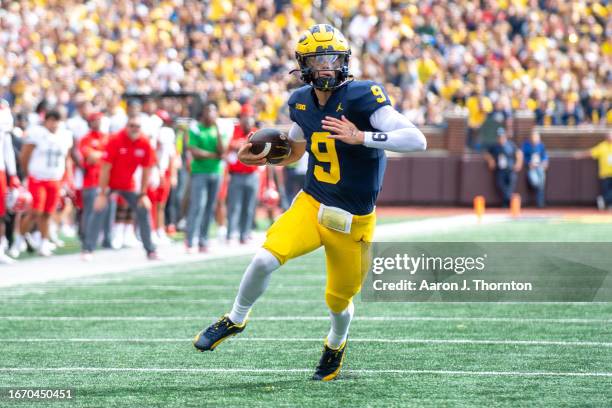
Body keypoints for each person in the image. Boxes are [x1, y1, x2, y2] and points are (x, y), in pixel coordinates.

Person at [193, 24, 426, 381]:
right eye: (319, 60)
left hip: (353, 219)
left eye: (333, 58)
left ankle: (335, 343)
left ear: (345, 61)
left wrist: (361, 136)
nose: (327, 66)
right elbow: (296, 150)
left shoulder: (363, 96)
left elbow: (416, 139)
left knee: (338, 302)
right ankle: (236, 318)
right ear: (304, 65)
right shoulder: (300, 100)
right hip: (312, 203)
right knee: (263, 258)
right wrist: (262, 157)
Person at [82, 114, 158, 260]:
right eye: (132, 126)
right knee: (98, 209)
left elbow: (147, 169)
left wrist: (143, 194)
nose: (134, 129)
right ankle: (88, 249)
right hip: (109, 182)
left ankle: (150, 249)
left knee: (144, 209)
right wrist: (102, 193)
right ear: (126, 126)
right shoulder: (116, 140)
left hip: (128, 184)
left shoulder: (145, 143)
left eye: (137, 126)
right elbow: (105, 168)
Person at [10, 110, 72, 257]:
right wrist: (27, 174)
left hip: (55, 179)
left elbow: (66, 159)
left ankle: (44, 243)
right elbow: (24, 156)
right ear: (46, 121)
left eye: (57, 120)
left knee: (48, 213)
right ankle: (19, 239)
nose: (54, 123)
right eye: (51, 120)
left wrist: (66, 179)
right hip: (37, 178)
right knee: (35, 212)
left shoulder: (65, 135)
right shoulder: (37, 133)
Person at [184, 102, 226, 253]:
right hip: (199, 172)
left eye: (214, 111)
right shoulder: (195, 127)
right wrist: (213, 155)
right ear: (203, 112)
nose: (211, 114)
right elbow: (194, 151)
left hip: (216, 172)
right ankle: (189, 240)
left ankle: (203, 240)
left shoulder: (218, 129)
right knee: (198, 205)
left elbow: (222, 152)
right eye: (209, 110)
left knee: (210, 207)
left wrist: (218, 131)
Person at [226, 104, 259, 244]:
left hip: (252, 174)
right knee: (234, 206)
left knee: (249, 207)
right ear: (241, 117)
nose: (248, 120)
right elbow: (229, 145)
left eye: (250, 116)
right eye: (245, 116)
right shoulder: (234, 130)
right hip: (237, 174)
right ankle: (230, 233)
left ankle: (244, 234)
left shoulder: (256, 132)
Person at [78, 111, 112, 248]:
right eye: (94, 120)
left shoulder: (108, 137)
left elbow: (112, 156)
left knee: (109, 210)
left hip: (107, 179)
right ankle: (87, 238)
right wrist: (105, 155)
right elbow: (90, 157)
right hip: (91, 180)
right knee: (90, 210)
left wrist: (100, 155)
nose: (97, 122)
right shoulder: (86, 139)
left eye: (99, 120)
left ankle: (107, 239)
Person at [0, 99, 21, 263]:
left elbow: (7, 146)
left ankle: (1, 248)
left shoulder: (4, 111)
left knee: (1, 213)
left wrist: (13, 174)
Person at [484, 128, 523, 207]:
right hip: (500, 170)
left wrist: (518, 163)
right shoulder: (495, 146)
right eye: (499, 137)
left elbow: (519, 153)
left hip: (510, 169)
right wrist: (491, 160)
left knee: (511, 185)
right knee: (500, 184)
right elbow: (486, 153)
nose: (501, 138)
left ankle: (506, 203)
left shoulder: (511, 144)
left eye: (502, 136)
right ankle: (509, 200)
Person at [575, 131, 612, 210]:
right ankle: (607, 204)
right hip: (605, 173)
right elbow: (591, 153)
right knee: (606, 190)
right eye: (610, 136)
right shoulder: (602, 146)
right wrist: (580, 155)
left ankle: (605, 201)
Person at [521, 131, 548, 208]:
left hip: (540, 166)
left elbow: (545, 155)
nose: (535, 139)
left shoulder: (541, 145)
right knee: (535, 182)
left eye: (536, 137)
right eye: (533, 137)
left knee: (541, 184)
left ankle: (540, 203)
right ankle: (539, 201)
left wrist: (545, 162)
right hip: (531, 168)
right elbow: (523, 156)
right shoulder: (526, 145)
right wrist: (528, 163)